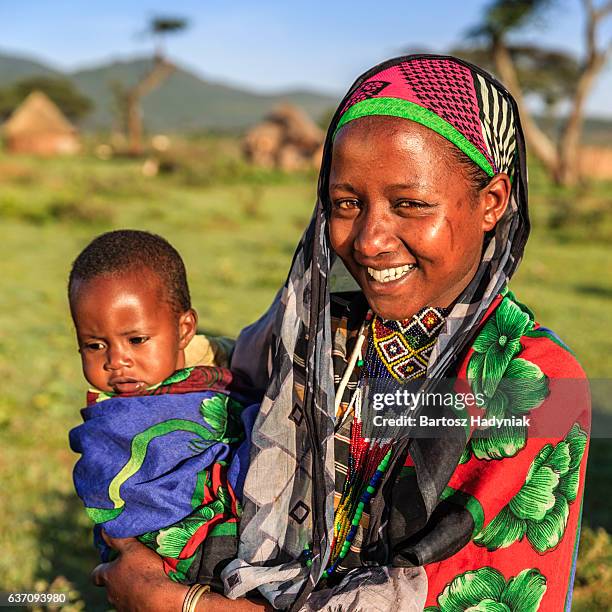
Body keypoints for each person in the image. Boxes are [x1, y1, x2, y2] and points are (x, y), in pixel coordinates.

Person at [92, 55, 590, 612]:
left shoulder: (534, 384)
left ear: (491, 202)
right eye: (347, 203)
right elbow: (221, 370)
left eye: (410, 205)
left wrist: (180, 604)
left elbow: (458, 594)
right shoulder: (321, 331)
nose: (371, 240)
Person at [68, 230, 257, 587]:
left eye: (136, 340)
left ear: (184, 329)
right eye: (94, 345)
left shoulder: (223, 369)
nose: (116, 361)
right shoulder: (113, 424)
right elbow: (119, 498)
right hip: (172, 571)